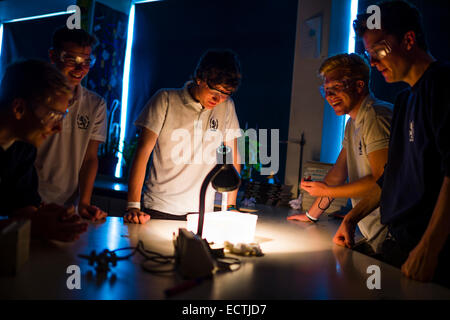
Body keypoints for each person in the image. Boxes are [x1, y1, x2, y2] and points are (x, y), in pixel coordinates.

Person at [334, 0, 450, 286]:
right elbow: (388, 180)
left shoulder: (442, 85)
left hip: (433, 255)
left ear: (409, 40)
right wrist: (351, 217)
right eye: (368, 53)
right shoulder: (404, 100)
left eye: (379, 50)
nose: (372, 62)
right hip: (399, 246)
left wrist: (429, 247)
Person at [287, 53, 392, 254]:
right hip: (373, 231)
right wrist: (311, 215)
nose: (329, 96)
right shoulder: (353, 123)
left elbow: (382, 180)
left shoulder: (376, 117)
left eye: (336, 88)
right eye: (326, 90)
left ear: (359, 86)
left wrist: (325, 192)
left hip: (390, 232)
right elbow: (338, 173)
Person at [125, 49, 242, 224]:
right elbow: (143, 152)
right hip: (159, 208)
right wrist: (133, 205)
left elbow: (232, 157)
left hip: (202, 214)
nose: (218, 99)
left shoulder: (227, 107)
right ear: (199, 78)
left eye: (226, 94)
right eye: (215, 91)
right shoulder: (165, 99)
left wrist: (230, 207)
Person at [0, 59, 88, 242]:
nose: (58, 128)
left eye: (63, 116)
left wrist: (47, 217)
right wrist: (32, 226)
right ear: (19, 108)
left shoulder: (22, 147)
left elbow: (23, 205)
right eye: (53, 115)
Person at [34, 26, 107, 222]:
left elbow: (90, 158)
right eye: (71, 59)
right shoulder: (34, 95)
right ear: (53, 56)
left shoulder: (95, 104)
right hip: (28, 199)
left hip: (67, 205)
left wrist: (84, 202)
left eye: (86, 62)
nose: (79, 68)